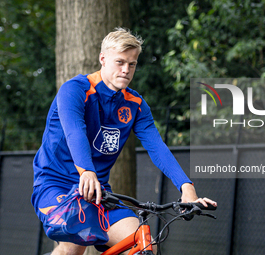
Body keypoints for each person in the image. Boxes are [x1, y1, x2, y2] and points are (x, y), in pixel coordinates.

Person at [31, 27, 217, 255]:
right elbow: (75, 132)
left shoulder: (135, 104)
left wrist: (187, 187)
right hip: (55, 184)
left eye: (132, 64)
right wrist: (87, 172)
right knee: (71, 248)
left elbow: (156, 146)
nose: (126, 70)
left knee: (145, 244)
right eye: (120, 62)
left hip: (98, 192)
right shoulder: (75, 90)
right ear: (103, 59)